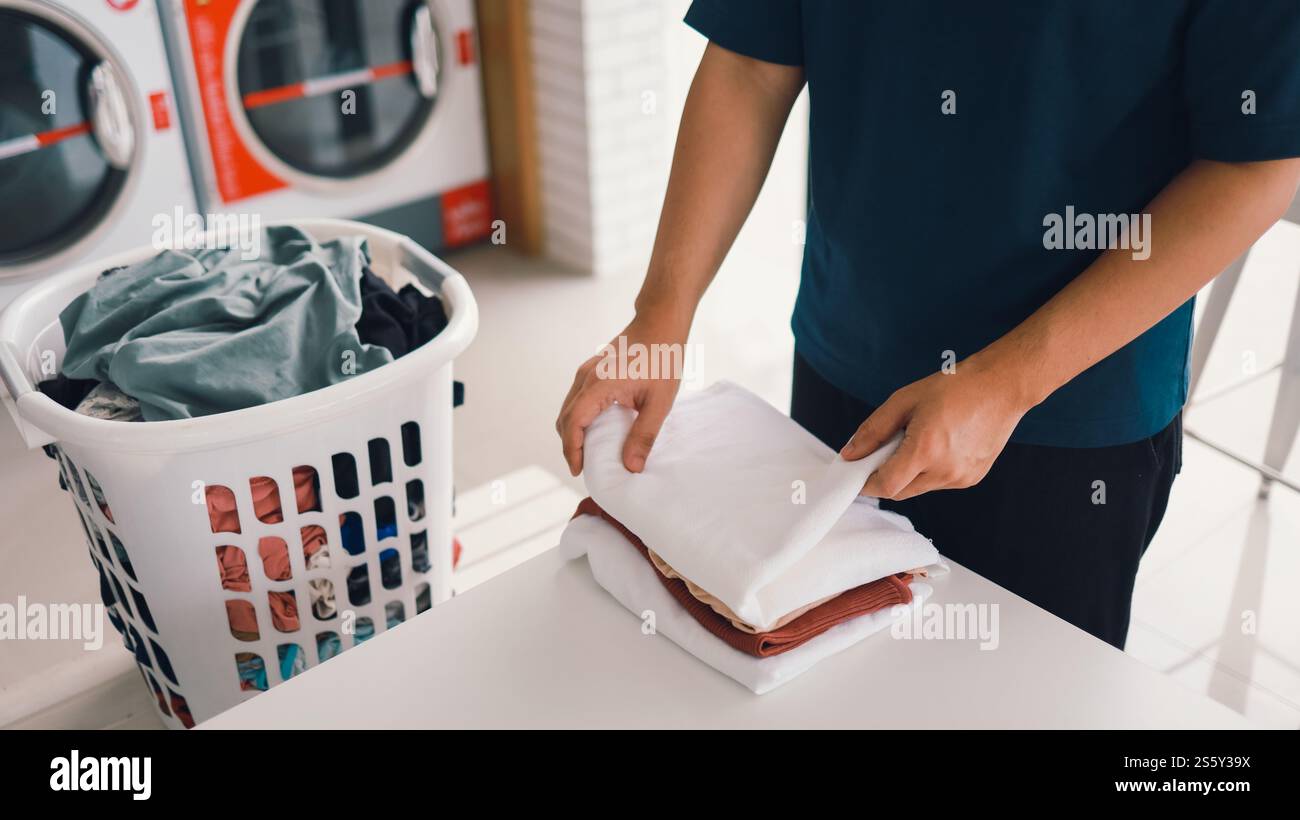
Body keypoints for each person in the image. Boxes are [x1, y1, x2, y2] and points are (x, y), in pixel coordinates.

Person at [555, 1, 1300, 648]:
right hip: (843, 372)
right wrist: (662, 312)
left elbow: (1258, 162)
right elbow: (753, 60)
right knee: (823, 675)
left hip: (1064, 417)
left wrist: (1008, 382)